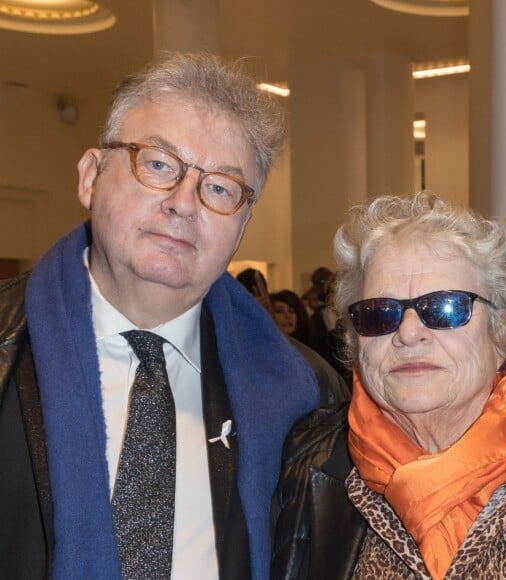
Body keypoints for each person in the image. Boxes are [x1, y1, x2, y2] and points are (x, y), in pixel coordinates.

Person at [0, 52, 349, 580]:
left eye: (219, 189)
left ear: (242, 226)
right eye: (159, 163)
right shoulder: (8, 350)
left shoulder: (305, 394)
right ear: (91, 177)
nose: (184, 203)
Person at [271, 192, 506, 579]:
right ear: (355, 340)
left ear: (499, 328)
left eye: (445, 307)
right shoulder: (299, 465)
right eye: (380, 313)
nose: (409, 332)